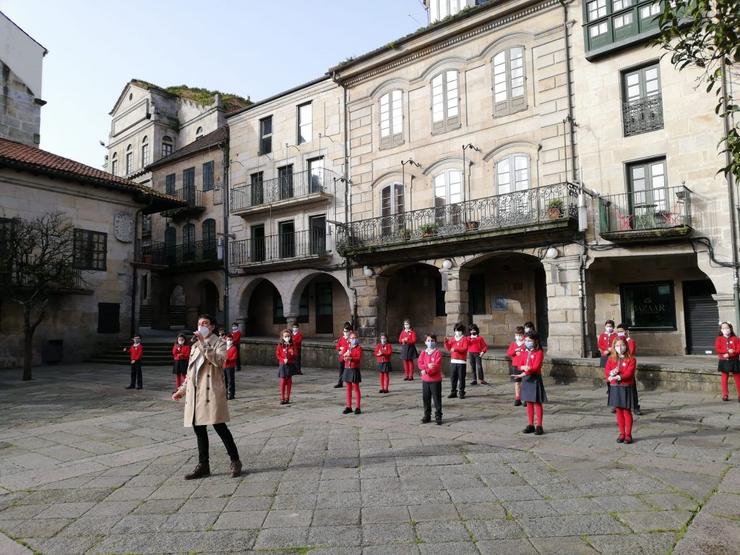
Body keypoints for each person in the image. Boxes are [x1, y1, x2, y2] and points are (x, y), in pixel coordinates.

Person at [172, 314, 242, 480]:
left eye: (205, 323)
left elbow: (219, 361)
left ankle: (235, 461)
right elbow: (191, 372)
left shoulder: (219, 343)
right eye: (199, 323)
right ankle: (204, 464)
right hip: (196, 392)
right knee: (199, 429)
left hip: (211, 391)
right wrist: (181, 390)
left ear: (211, 327)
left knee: (220, 427)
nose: (202, 325)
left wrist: (204, 344)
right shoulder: (195, 345)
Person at [605, 338, 637, 443]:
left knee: (626, 410)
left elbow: (629, 373)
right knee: (618, 410)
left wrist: (618, 377)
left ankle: (628, 434)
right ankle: (621, 433)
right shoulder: (611, 359)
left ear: (626, 346)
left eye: (622, 345)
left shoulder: (631, 359)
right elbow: (607, 370)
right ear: (614, 347)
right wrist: (611, 373)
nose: (620, 348)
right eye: (617, 346)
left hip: (625, 386)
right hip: (615, 387)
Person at [514, 333, 547, 435]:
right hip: (526, 379)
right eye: (526, 340)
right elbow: (519, 364)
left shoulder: (539, 352)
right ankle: (531, 424)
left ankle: (539, 425)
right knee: (528, 402)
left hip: (535, 378)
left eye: (529, 341)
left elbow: (536, 367)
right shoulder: (524, 352)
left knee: (537, 402)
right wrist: (523, 369)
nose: (527, 342)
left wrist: (526, 370)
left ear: (535, 341)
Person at [614, 324, 640, 414]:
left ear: (626, 332)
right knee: (618, 388)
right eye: (618, 331)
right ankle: (617, 404)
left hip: (627, 367)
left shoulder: (630, 342)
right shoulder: (617, 341)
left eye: (621, 331)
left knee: (632, 389)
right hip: (619, 367)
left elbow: (631, 353)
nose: (619, 333)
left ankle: (636, 407)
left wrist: (623, 355)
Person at [418, 334, 443, 425]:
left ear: (435, 342)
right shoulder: (423, 352)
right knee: (426, 398)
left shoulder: (437, 353)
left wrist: (426, 370)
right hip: (425, 380)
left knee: (437, 399)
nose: (430, 342)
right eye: (428, 340)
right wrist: (426, 367)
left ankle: (438, 415)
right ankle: (427, 415)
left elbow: (436, 366)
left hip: (435, 380)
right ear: (425, 342)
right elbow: (420, 363)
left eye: (432, 340)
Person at [715, 321, 740, 402]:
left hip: (734, 360)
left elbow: (738, 350)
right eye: (723, 328)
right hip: (723, 361)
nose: (726, 330)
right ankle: (725, 394)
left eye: (727, 328)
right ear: (721, 330)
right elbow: (717, 349)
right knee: (724, 378)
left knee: (738, 378)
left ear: (730, 329)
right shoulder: (719, 339)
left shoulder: (736, 339)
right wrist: (727, 351)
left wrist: (730, 354)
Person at [445, 323, 469, 399]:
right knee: (453, 377)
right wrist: (446, 342)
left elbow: (464, 348)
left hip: (461, 362)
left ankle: (461, 392)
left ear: (462, 331)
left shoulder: (464, 339)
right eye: (456, 330)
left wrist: (455, 349)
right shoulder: (452, 339)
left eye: (459, 331)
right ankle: (453, 391)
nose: (457, 332)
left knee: (461, 378)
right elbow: (448, 348)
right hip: (453, 361)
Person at [342, 331, 362, 414]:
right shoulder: (347, 346)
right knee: (348, 389)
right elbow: (343, 355)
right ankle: (348, 406)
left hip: (354, 369)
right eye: (352, 338)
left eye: (355, 338)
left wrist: (351, 358)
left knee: (356, 388)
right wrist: (345, 355)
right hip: (347, 368)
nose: (353, 339)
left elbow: (358, 358)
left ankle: (358, 407)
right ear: (349, 339)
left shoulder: (358, 348)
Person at [506, 326, 526, 406]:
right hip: (515, 365)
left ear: (523, 335)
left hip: (524, 365)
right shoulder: (513, 344)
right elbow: (509, 353)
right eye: (517, 335)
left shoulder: (525, 343)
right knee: (517, 382)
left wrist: (522, 352)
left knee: (525, 382)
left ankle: (526, 398)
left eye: (521, 335)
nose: (519, 337)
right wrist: (515, 351)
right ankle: (517, 397)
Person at [276, 329, 296, 405]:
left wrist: (291, 354)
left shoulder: (292, 344)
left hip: (290, 364)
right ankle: (282, 398)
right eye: (285, 336)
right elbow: (278, 354)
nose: (287, 337)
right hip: (282, 364)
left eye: (288, 336)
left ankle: (288, 397)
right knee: (283, 381)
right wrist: (282, 359)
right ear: (282, 337)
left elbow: (295, 355)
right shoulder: (280, 345)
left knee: (289, 381)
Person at [335, 322, 352, 388]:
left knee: (348, 370)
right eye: (344, 331)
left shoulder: (351, 339)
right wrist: (339, 349)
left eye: (346, 331)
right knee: (341, 370)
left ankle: (350, 382)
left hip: (348, 357)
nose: (345, 332)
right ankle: (340, 383)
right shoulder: (341, 338)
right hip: (342, 357)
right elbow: (337, 346)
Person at [223, 334, 237, 400]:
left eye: (230, 340)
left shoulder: (234, 348)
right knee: (224, 381)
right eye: (228, 340)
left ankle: (231, 394)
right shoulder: (224, 348)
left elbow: (234, 357)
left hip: (230, 366)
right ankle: (224, 394)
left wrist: (228, 359)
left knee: (230, 381)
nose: (229, 341)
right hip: (224, 366)